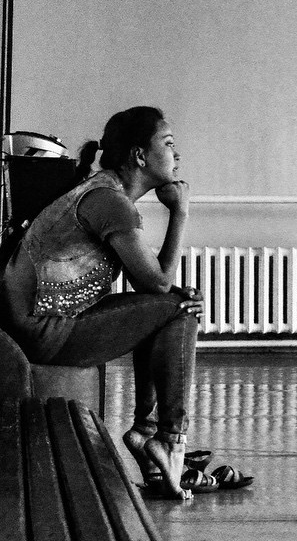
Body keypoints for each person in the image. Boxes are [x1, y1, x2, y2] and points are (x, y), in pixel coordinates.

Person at [0, 106, 211, 499]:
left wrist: (170, 294)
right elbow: (158, 283)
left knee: (173, 304)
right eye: (168, 144)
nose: (177, 154)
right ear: (139, 155)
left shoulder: (104, 192)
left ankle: (150, 437)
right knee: (179, 307)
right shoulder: (108, 201)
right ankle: (164, 440)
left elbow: (152, 286)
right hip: (44, 331)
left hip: (45, 322)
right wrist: (180, 211)